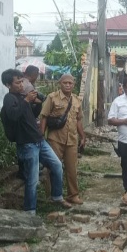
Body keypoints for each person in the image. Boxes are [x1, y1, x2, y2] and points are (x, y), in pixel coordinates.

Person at [0, 69, 67, 215]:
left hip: (38, 140)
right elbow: (13, 116)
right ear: (8, 84)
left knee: (57, 165)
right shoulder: (9, 98)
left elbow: (31, 115)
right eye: (17, 82)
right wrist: (26, 101)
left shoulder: (22, 97)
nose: (21, 85)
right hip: (27, 144)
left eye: (21, 81)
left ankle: (56, 196)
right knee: (32, 179)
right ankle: (30, 211)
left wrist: (36, 104)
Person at [39, 74, 87, 205]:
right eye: (65, 83)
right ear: (60, 83)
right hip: (55, 139)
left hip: (72, 139)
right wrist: (41, 136)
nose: (67, 85)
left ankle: (73, 195)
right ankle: (53, 195)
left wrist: (83, 136)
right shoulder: (52, 98)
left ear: (73, 85)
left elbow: (78, 121)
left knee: (72, 169)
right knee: (53, 168)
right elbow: (44, 117)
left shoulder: (77, 100)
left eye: (70, 83)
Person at [15, 65, 45, 180]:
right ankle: (26, 171)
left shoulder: (22, 82)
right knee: (28, 146)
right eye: (37, 75)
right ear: (34, 74)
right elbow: (36, 99)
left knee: (21, 145)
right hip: (26, 119)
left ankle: (22, 171)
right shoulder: (27, 84)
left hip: (20, 118)